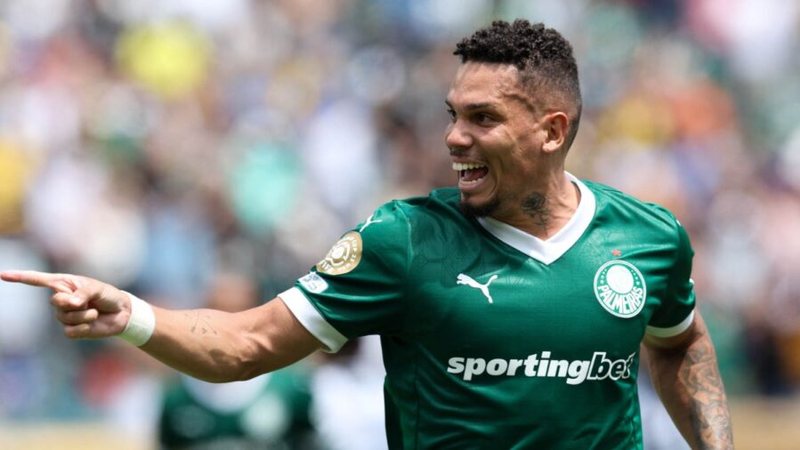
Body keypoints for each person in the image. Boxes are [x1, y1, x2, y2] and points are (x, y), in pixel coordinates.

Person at [1, 20, 732, 449]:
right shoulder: (403, 240)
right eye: (452, 114)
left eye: (482, 118)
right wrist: (132, 315)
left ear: (551, 130)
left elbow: (679, 341)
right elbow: (246, 345)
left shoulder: (647, 239)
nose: (454, 137)